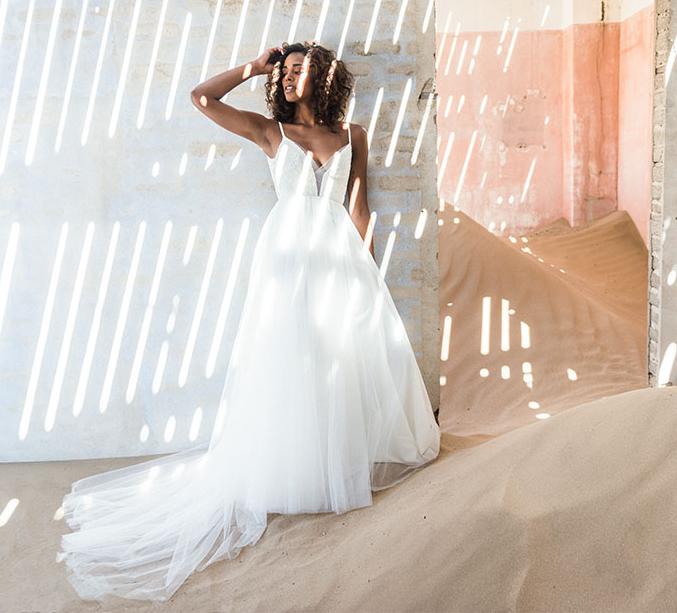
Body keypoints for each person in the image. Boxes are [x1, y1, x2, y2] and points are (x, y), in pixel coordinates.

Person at [56, 41, 441, 602]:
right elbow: (200, 98)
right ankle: (288, 475)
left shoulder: (352, 135)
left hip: (340, 264)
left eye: (297, 69)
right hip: (285, 266)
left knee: (336, 364)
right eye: (282, 72)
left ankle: (331, 471)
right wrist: (251, 68)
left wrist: (371, 278)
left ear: (324, 76)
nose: (288, 79)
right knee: (288, 365)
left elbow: (360, 211)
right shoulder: (269, 133)